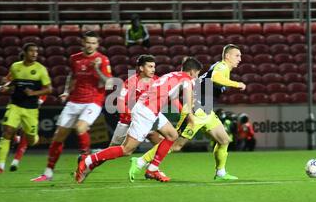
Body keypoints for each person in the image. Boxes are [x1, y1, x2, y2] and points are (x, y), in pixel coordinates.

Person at [74, 57, 203, 184]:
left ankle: (152, 169)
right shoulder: (188, 80)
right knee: (126, 150)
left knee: (172, 135)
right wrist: (192, 119)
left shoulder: (171, 75)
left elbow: (173, 98)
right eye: (197, 74)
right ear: (192, 72)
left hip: (150, 110)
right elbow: (187, 103)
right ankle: (88, 161)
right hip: (144, 113)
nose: (197, 77)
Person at [129, 44, 246, 182]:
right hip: (197, 109)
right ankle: (141, 161)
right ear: (227, 56)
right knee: (175, 144)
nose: (240, 58)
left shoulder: (223, 68)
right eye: (237, 55)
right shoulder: (222, 66)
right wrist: (237, 84)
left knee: (224, 140)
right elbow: (215, 78)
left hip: (207, 110)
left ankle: (220, 173)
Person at [31, 31, 112, 182]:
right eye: (88, 42)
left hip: (93, 100)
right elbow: (72, 76)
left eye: (94, 43)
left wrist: (97, 69)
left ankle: (84, 163)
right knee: (58, 136)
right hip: (75, 100)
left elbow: (109, 83)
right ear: (83, 43)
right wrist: (66, 91)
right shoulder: (75, 58)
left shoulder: (102, 60)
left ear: (98, 44)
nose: (90, 45)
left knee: (80, 127)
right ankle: (48, 173)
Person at [0, 43, 52, 174]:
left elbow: (49, 89)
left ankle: (32, 137)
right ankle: (0, 167)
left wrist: (34, 94)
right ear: (24, 52)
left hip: (31, 109)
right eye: (31, 51)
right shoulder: (15, 67)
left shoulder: (41, 69)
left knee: (31, 140)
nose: (35, 53)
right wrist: (5, 87)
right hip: (15, 105)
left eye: (36, 51)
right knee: (7, 131)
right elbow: (12, 85)